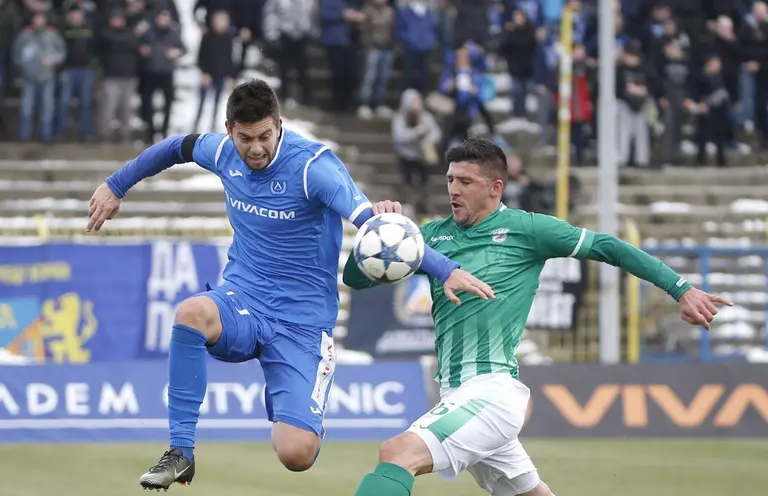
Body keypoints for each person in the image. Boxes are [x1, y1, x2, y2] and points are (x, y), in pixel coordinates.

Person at [85, 79, 495, 491]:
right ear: (229, 131)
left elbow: (378, 232)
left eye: (264, 136)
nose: (256, 148)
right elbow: (176, 147)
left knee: (296, 454)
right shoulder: (221, 152)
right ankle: (180, 452)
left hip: (303, 323)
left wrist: (444, 269)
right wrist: (115, 185)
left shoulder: (315, 168)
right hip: (244, 299)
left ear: (279, 125)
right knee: (191, 313)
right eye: (246, 138)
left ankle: (299, 402)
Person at [343, 137, 733, 496]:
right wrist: (381, 232)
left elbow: (609, 247)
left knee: (397, 453)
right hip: (457, 393)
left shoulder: (527, 229)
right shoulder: (429, 237)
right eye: (450, 180)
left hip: (491, 394)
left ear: (495, 188)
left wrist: (680, 288)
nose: (454, 190)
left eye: (465, 181)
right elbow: (355, 279)